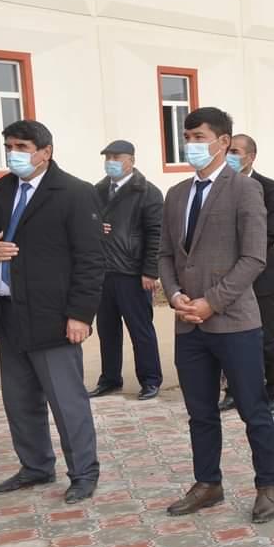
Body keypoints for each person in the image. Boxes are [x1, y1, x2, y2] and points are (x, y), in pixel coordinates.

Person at [0, 119, 104, 504]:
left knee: (66, 401)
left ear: (45, 152)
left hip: (53, 318)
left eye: (22, 147)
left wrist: (80, 315)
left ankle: (84, 473)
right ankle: (36, 466)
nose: (13, 154)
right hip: (7, 314)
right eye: (9, 146)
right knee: (20, 400)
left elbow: (91, 260)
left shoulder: (74, 193)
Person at [158, 107, 274, 524]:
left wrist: (212, 301)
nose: (190, 144)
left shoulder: (244, 190)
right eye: (186, 137)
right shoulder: (176, 194)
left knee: (253, 409)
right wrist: (175, 295)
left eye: (198, 137)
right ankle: (208, 483)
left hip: (234, 322)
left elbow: (253, 257)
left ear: (223, 142)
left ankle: (267, 486)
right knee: (200, 412)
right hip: (188, 323)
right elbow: (165, 254)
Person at [87, 140, 165, 401]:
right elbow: (87, 222)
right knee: (107, 330)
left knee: (140, 329)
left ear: (131, 160)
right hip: (103, 272)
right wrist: (94, 228)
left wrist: (150, 271)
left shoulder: (147, 192)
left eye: (116, 157)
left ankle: (150, 379)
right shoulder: (97, 191)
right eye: (107, 157)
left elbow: (156, 234)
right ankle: (110, 379)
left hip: (132, 272)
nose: (111, 162)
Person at [218, 134, 274, 417]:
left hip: (260, 275)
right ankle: (234, 391)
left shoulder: (268, 187)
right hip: (226, 277)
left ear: (251, 157)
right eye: (228, 151)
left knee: (267, 336)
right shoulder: (219, 187)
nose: (230, 156)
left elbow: (272, 231)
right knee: (231, 336)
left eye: (235, 151)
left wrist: (238, 249)